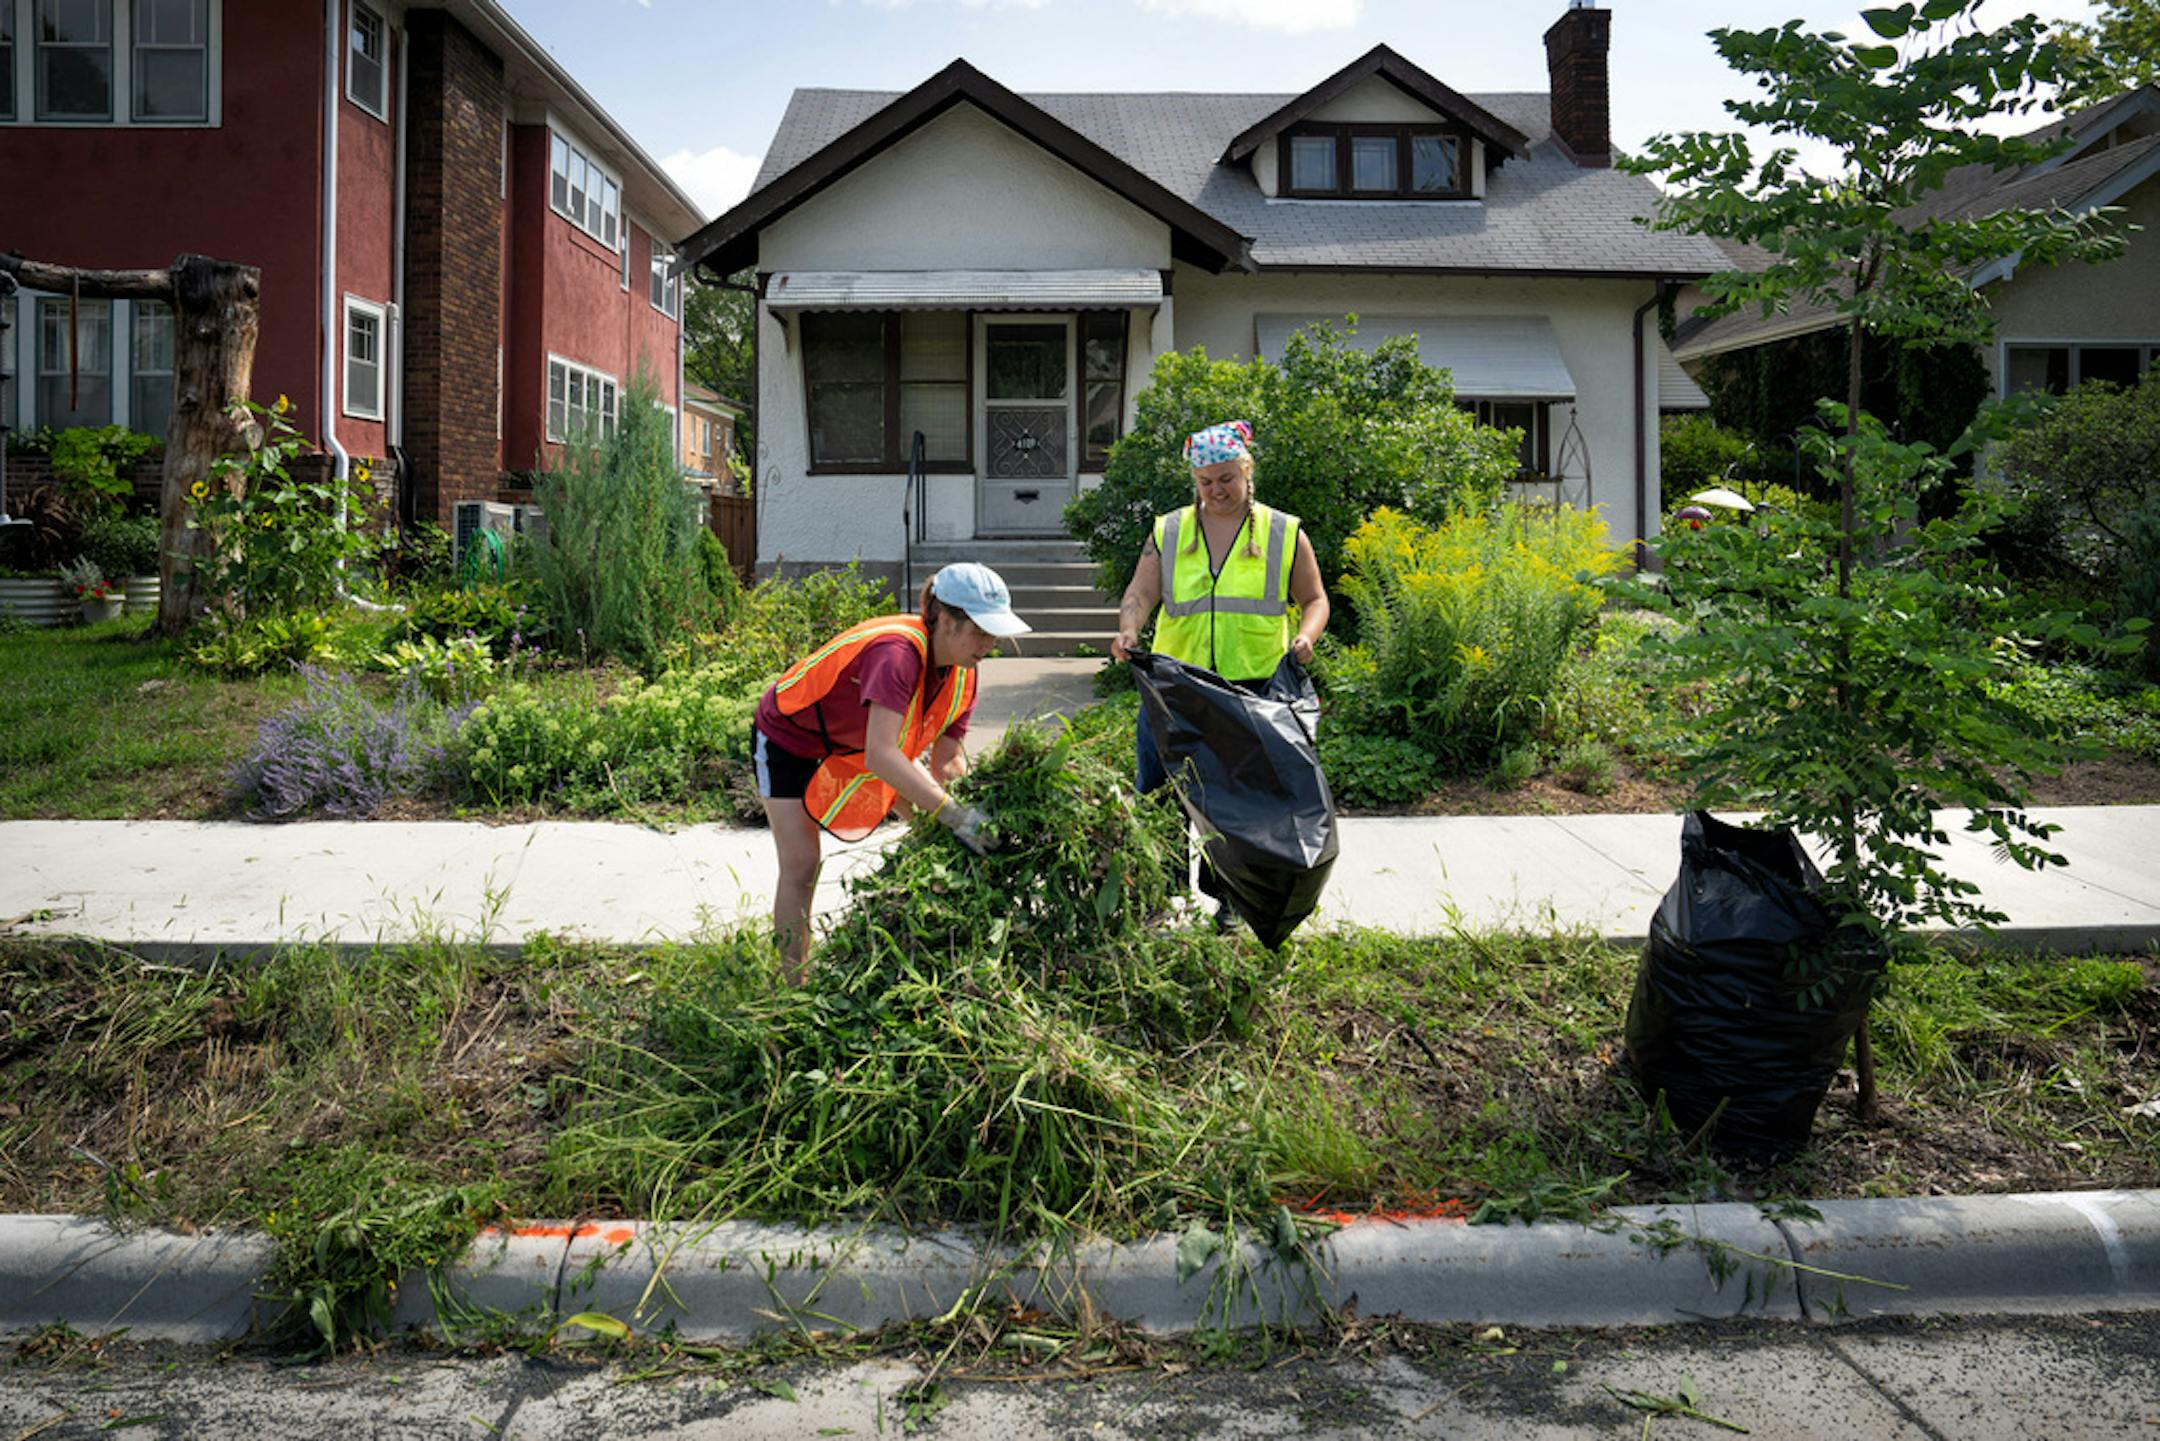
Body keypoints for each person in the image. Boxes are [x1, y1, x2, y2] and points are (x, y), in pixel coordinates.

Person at [752, 562, 1030, 979]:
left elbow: (947, 762)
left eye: (994, 633)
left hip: (856, 744)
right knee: (802, 863)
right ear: (946, 620)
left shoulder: (963, 675)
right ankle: (792, 989)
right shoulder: (896, 653)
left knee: (932, 835)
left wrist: (976, 809)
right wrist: (955, 816)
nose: (989, 644)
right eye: (981, 631)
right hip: (790, 737)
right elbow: (881, 755)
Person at [1110, 419, 1330, 926]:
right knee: (1161, 794)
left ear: (1247, 471)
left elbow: (1314, 599)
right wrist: (1129, 629)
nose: (1216, 491)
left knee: (1237, 807)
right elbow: (1140, 594)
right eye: (1205, 482)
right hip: (1174, 689)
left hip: (1248, 693)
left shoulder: (1283, 532)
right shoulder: (1169, 530)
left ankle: (1232, 904)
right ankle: (1157, 901)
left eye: (1226, 479)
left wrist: (1306, 637)